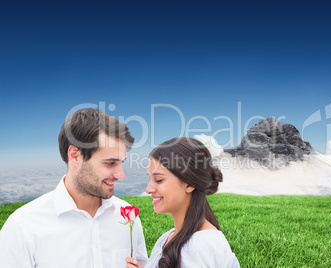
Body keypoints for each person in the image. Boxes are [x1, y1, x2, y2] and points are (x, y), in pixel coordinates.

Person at [0, 108, 148, 268]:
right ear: (75, 155)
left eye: (121, 162)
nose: (121, 174)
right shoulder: (23, 226)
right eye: (110, 163)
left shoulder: (127, 217)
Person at [126, 137, 240, 268]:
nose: (148, 189)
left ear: (189, 183)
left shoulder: (204, 246)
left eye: (158, 180)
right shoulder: (166, 238)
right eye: (150, 178)